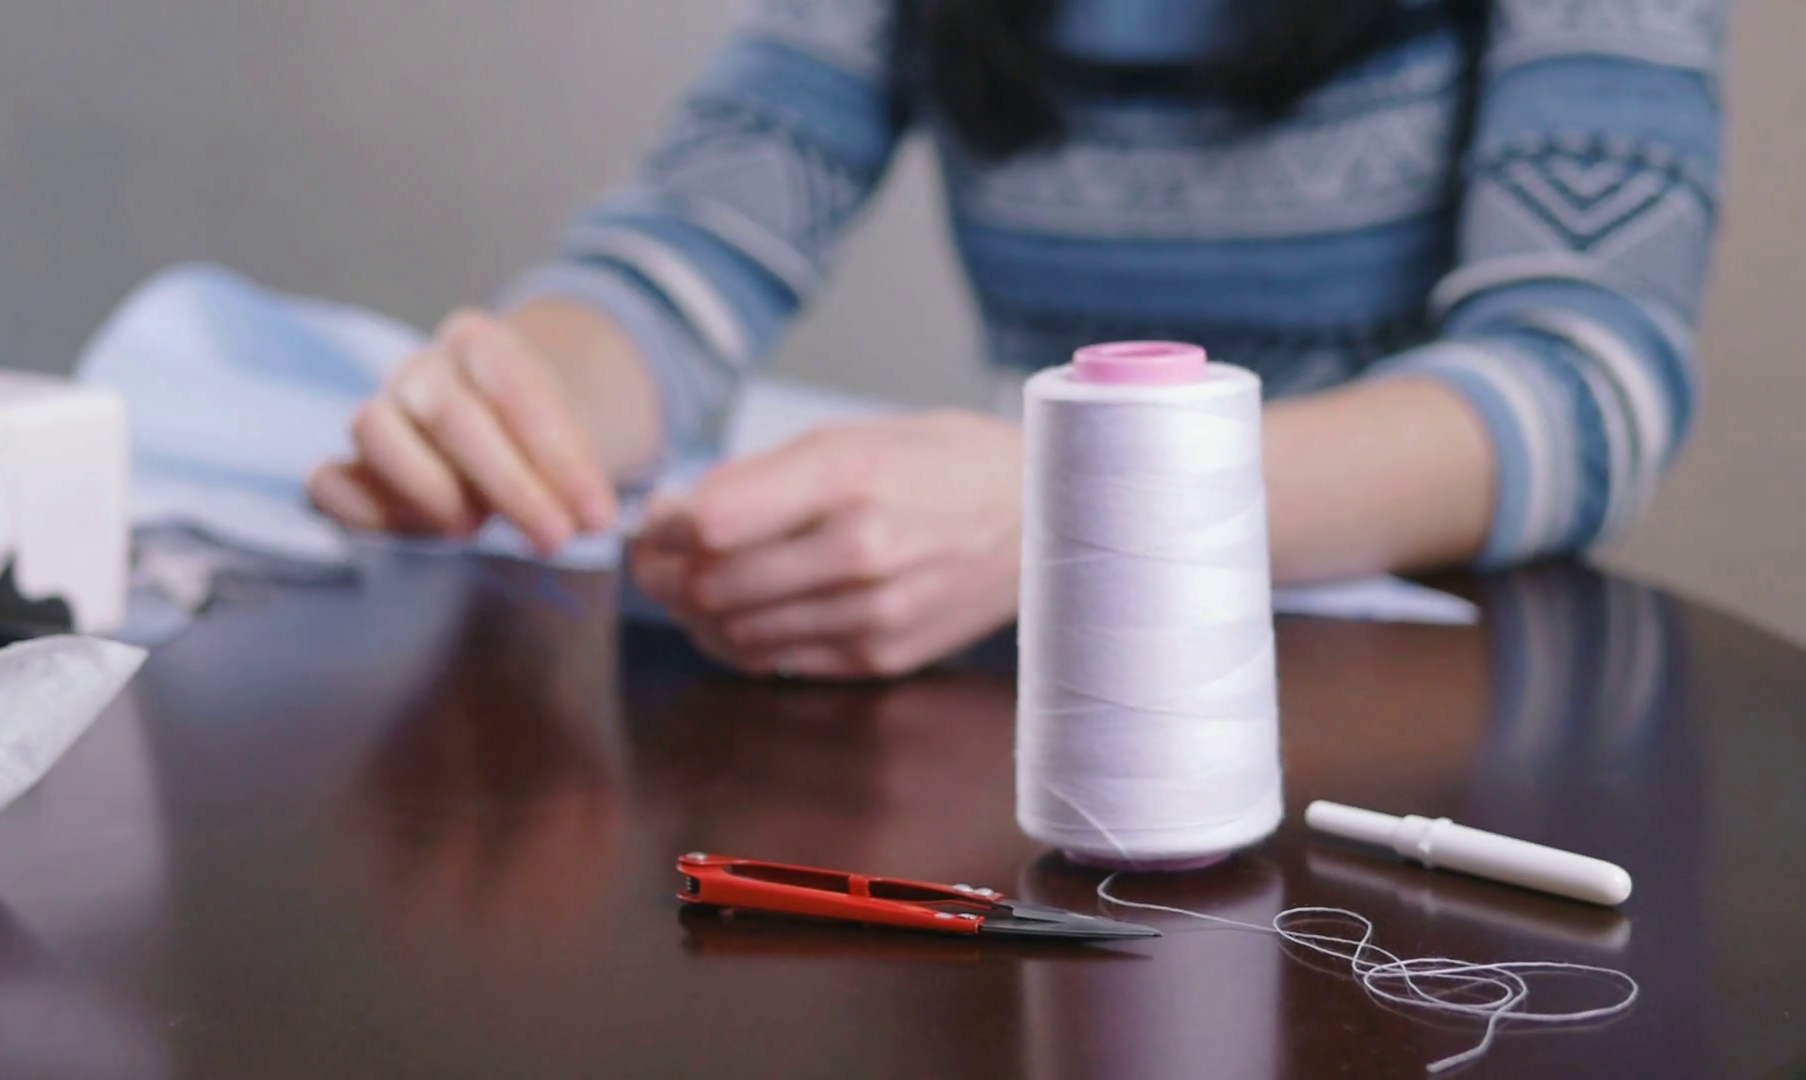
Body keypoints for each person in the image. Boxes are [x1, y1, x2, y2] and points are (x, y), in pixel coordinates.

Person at [307, 0, 1725, 679]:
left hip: (1435, 711)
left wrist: (1080, 501)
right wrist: (522, 400)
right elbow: (677, 262)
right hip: (1057, 693)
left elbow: (1584, 383)